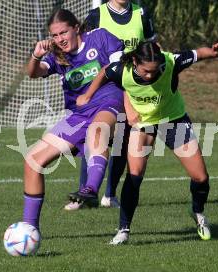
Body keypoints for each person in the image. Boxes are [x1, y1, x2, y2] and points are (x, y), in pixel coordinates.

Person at [77, 41, 218, 244]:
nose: (150, 76)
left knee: (200, 177)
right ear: (136, 61)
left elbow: (197, 53)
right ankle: (123, 230)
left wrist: (214, 52)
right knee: (135, 175)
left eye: (154, 72)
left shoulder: (170, 62)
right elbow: (104, 72)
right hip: (143, 123)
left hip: (173, 119)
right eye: (146, 71)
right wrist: (87, 95)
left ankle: (197, 212)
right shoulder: (122, 69)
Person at [22, 8, 125, 231]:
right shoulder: (59, 56)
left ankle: (90, 189)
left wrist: (89, 94)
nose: (60, 39)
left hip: (110, 102)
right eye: (55, 35)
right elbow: (33, 73)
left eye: (63, 33)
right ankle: (29, 229)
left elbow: (118, 69)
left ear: (76, 27)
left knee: (96, 132)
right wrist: (36, 55)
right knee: (32, 160)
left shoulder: (100, 37)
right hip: (78, 115)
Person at [64, 0, 157, 211]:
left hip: (134, 86)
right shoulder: (97, 15)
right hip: (104, 86)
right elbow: (82, 48)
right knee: (95, 137)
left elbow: (152, 46)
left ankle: (110, 195)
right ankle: (84, 193)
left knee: (124, 142)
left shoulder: (140, 12)